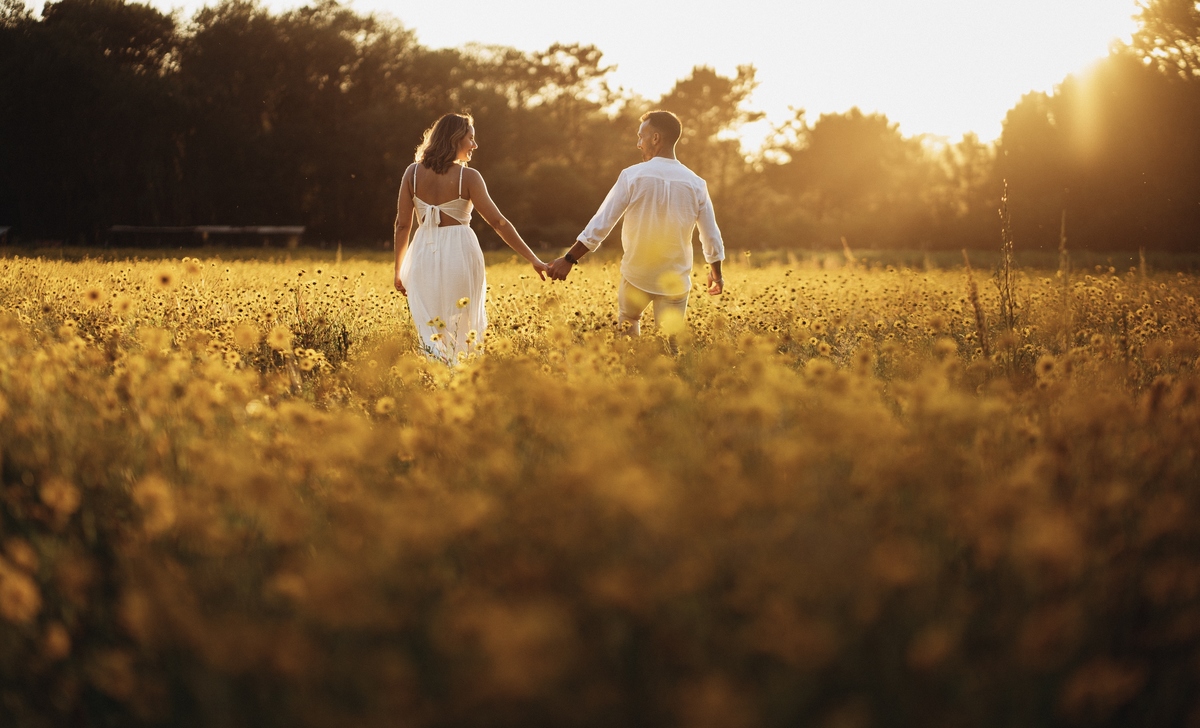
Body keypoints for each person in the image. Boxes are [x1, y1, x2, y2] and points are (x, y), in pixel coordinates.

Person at [546, 110, 725, 337]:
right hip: (675, 280)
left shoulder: (632, 176)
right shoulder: (696, 183)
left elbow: (602, 223)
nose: (638, 143)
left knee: (628, 330)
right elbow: (711, 236)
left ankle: (630, 371)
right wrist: (716, 274)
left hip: (636, 275)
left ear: (656, 138)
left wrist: (569, 259)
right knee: (670, 345)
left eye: (641, 136)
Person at [394, 113, 548, 362]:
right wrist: (533, 259)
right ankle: (461, 376)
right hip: (460, 253)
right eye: (471, 139)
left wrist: (398, 270)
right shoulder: (469, 177)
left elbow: (402, 226)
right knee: (462, 323)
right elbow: (498, 222)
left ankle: (436, 376)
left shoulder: (411, 173)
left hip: (423, 253)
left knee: (430, 326)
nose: (475, 145)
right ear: (455, 139)